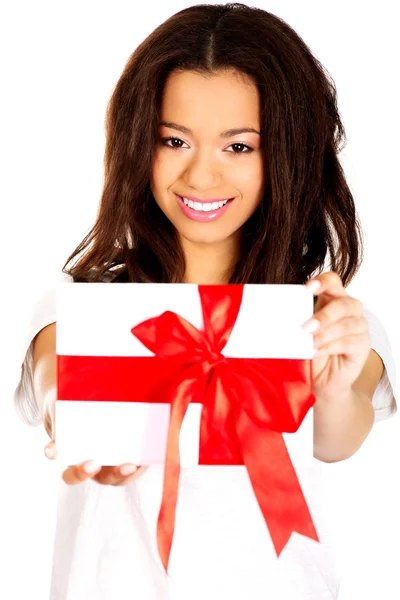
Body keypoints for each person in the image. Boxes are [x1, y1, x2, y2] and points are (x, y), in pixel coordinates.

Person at [13, 3, 397, 599]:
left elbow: (336, 438)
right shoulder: (78, 306)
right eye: (174, 140)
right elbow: (59, 382)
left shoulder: (328, 319)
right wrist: (89, 434)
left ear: (287, 156)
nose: (201, 176)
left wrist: (333, 383)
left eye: (238, 147)